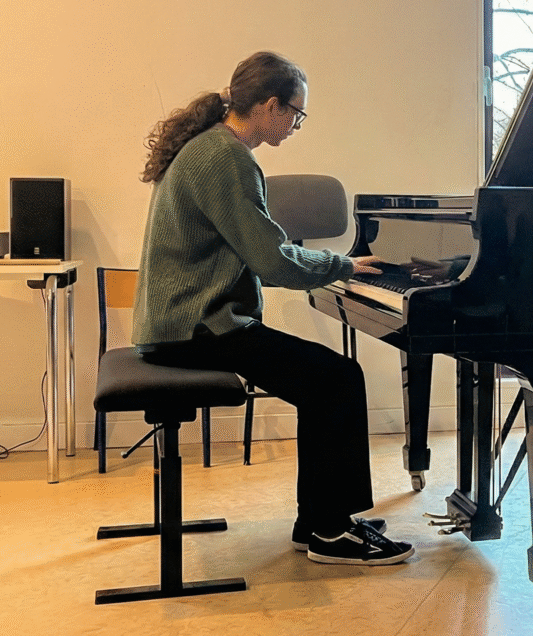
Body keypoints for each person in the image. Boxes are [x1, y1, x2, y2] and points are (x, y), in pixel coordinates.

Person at [131, 50, 413, 565]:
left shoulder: (209, 146)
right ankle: (330, 531)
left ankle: (317, 521)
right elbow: (272, 260)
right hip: (197, 328)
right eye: (295, 114)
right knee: (336, 380)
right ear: (269, 105)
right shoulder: (227, 157)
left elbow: (261, 253)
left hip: (180, 323)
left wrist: (331, 267)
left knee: (324, 381)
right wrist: (344, 266)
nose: (295, 125)